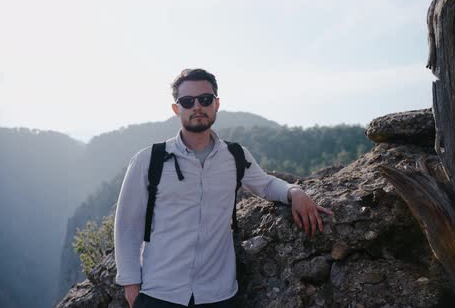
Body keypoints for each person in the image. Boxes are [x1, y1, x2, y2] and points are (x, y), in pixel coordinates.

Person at [114, 68, 332, 308]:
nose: (197, 106)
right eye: (187, 101)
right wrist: (131, 287)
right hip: (159, 294)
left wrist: (295, 192)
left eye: (205, 99)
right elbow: (127, 225)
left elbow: (266, 184)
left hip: (218, 295)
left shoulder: (235, 156)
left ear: (216, 104)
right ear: (176, 109)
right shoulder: (149, 160)